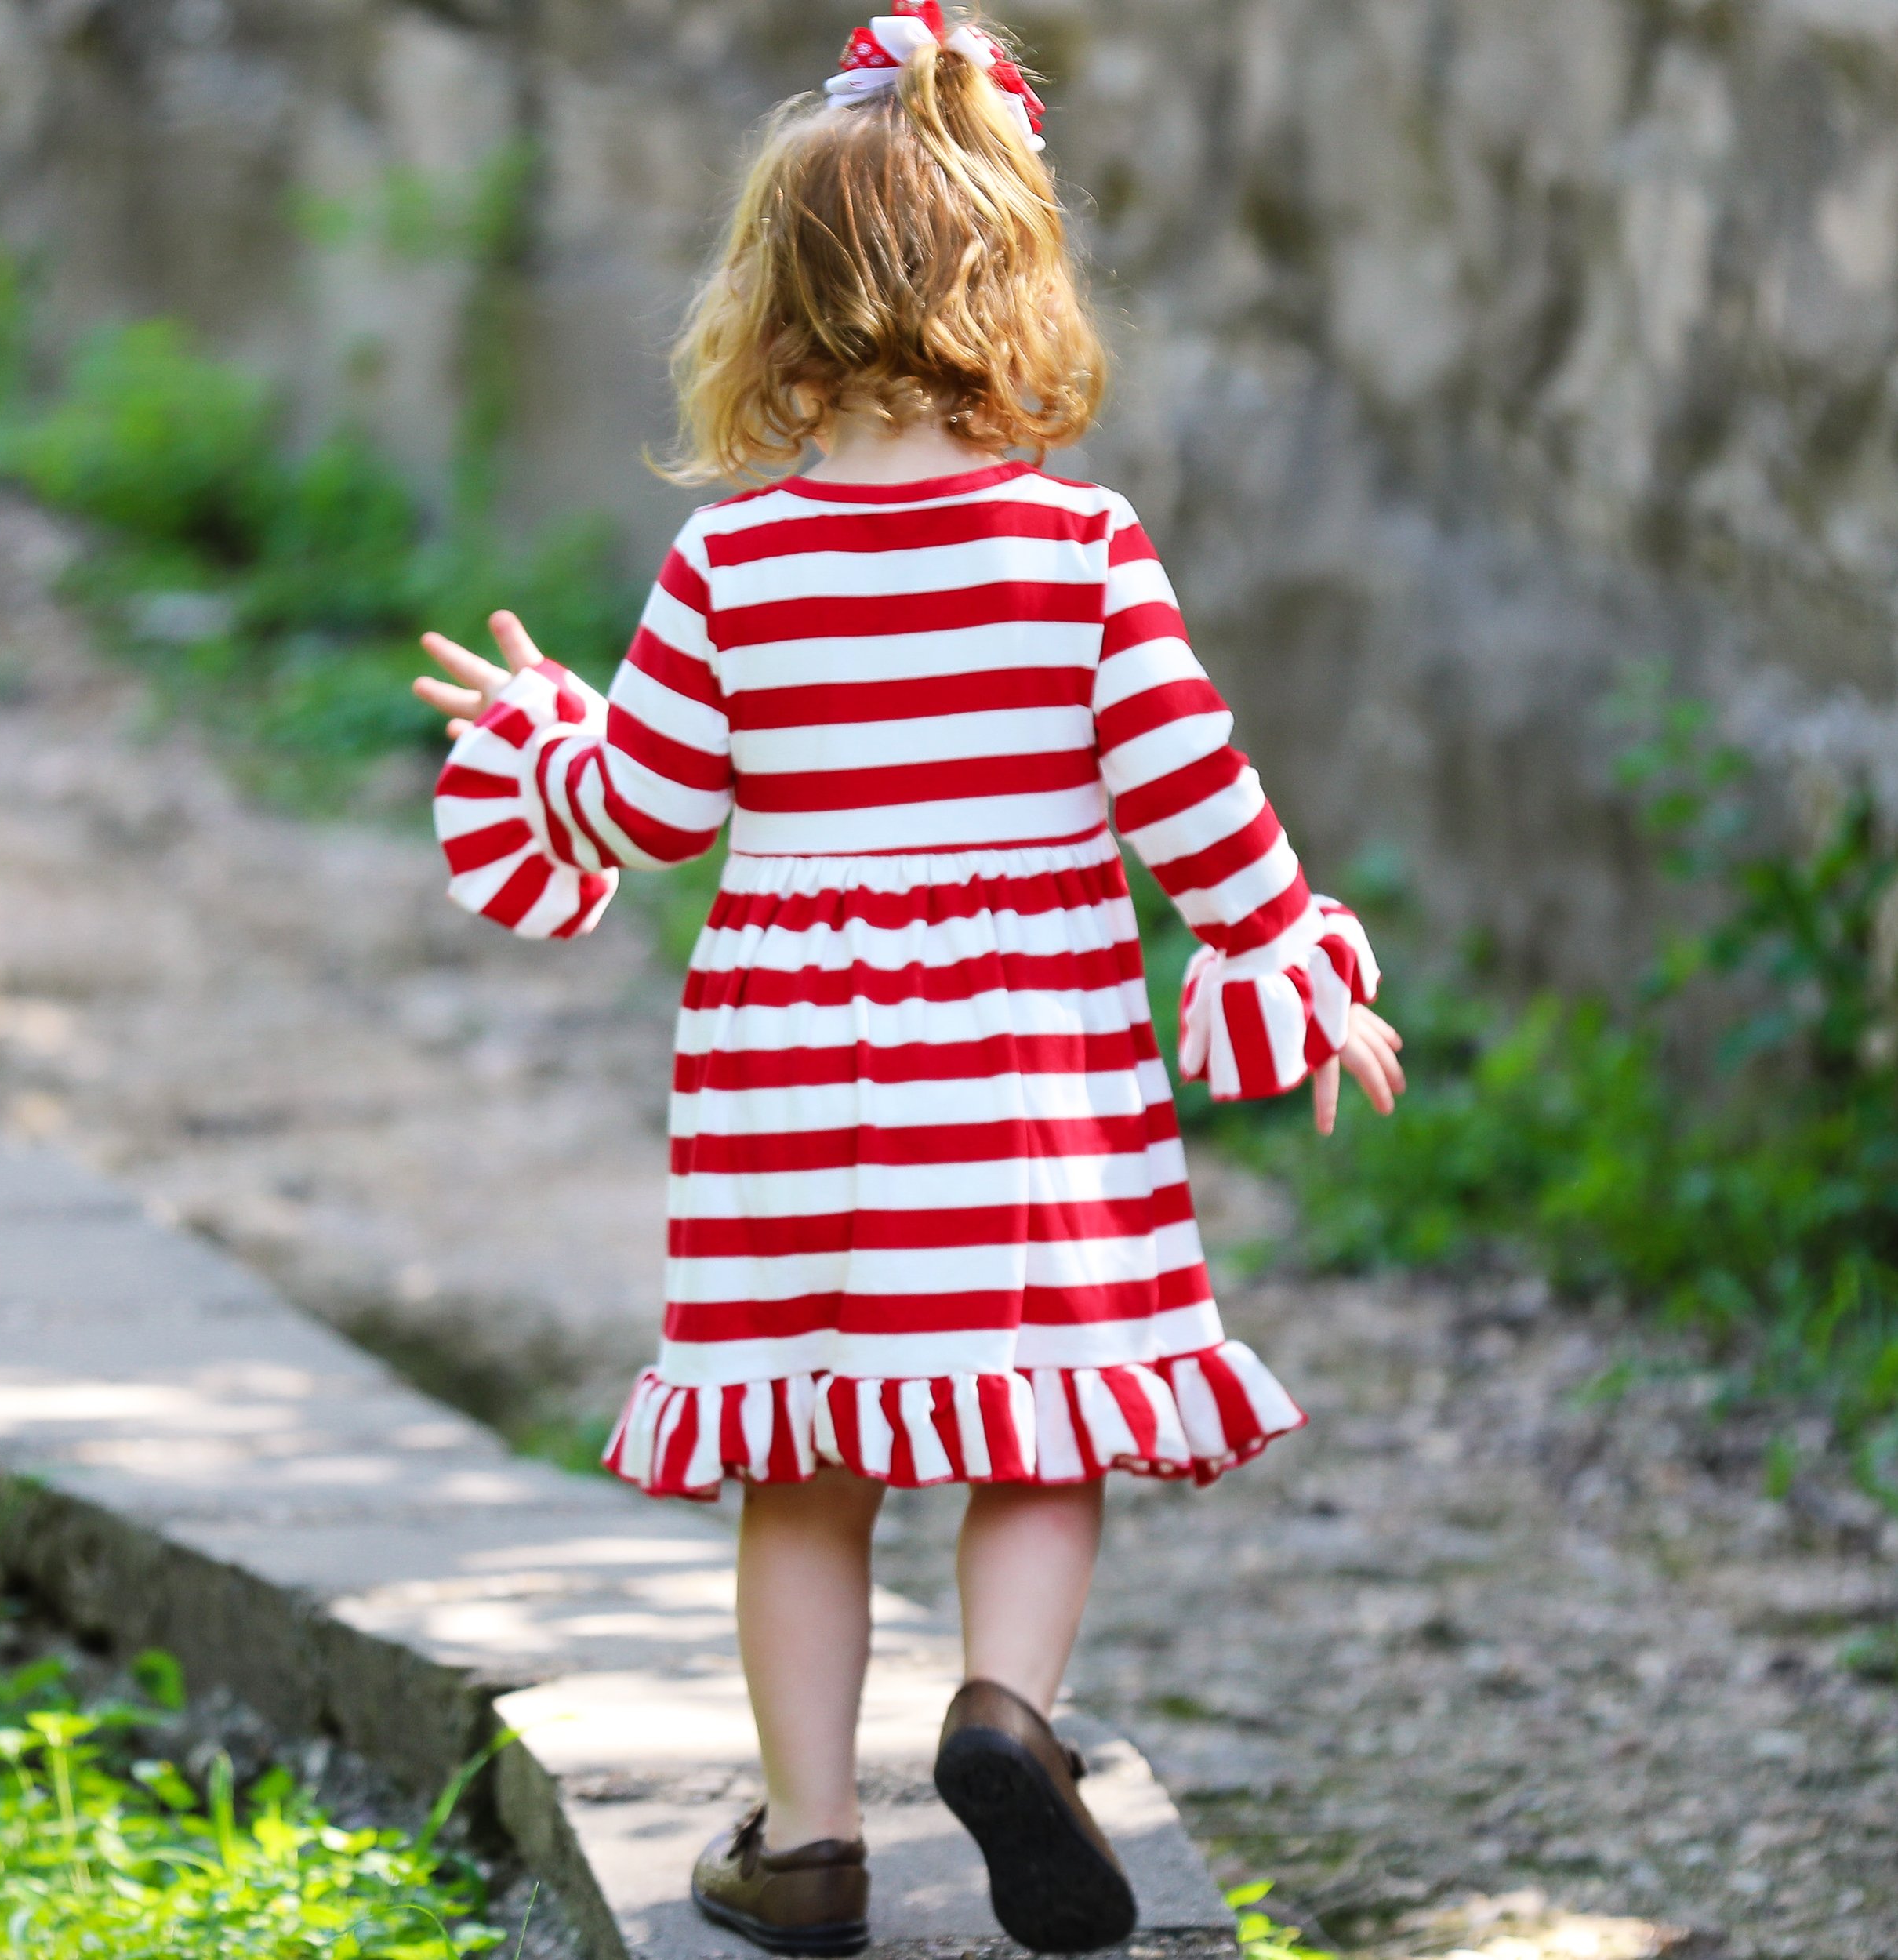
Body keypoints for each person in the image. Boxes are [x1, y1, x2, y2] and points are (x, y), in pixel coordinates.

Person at [412, 4, 1404, 1950]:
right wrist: (1283, 951)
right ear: (1013, 288)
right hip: (1025, 1073)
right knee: (1038, 1421)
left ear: (767, 311)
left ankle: (804, 1843)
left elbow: (644, 806)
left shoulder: (732, 568)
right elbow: (1194, 796)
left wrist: (539, 731)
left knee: (803, 1453)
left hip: (791, 1086)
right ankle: (1003, 1714)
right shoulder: (1080, 554)